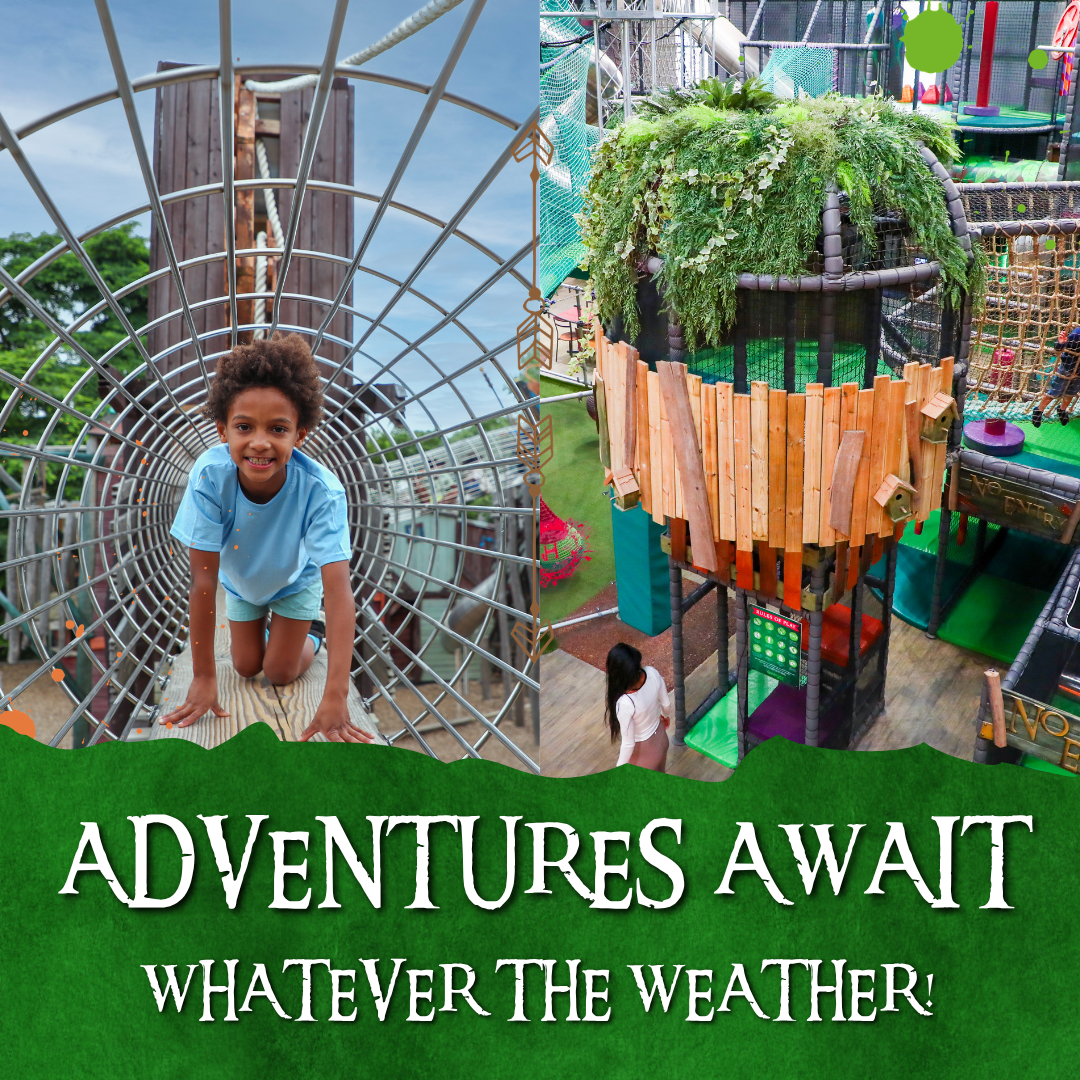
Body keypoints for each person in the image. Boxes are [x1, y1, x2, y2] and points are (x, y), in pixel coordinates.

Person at [160, 333, 372, 743]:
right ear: (223, 431)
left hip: (295, 580)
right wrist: (204, 676)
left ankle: (311, 632)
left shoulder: (320, 491)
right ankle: (271, 630)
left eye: (278, 429)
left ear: (300, 435)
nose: (260, 442)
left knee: (279, 672)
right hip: (241, 583)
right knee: (243, 666)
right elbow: (203, 581)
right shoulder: (209, 477)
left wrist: (336, 694)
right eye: (244, 427)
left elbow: (340, 591)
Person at [605, 642, 670, 771]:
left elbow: (628, 744)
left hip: (644, 755)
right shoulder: (652, 672)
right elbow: (666, 704)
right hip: (662, 739)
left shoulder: (625, 703)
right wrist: (665, 717)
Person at [1032, 327, 1080, 428]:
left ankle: (1062, 409)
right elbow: (1059, 348)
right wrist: (1061, 343)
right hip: (1067, 367)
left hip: (1079, 373)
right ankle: (1039, 410)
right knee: (1055, 392)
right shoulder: (1077, 334)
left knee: (1071, 393)